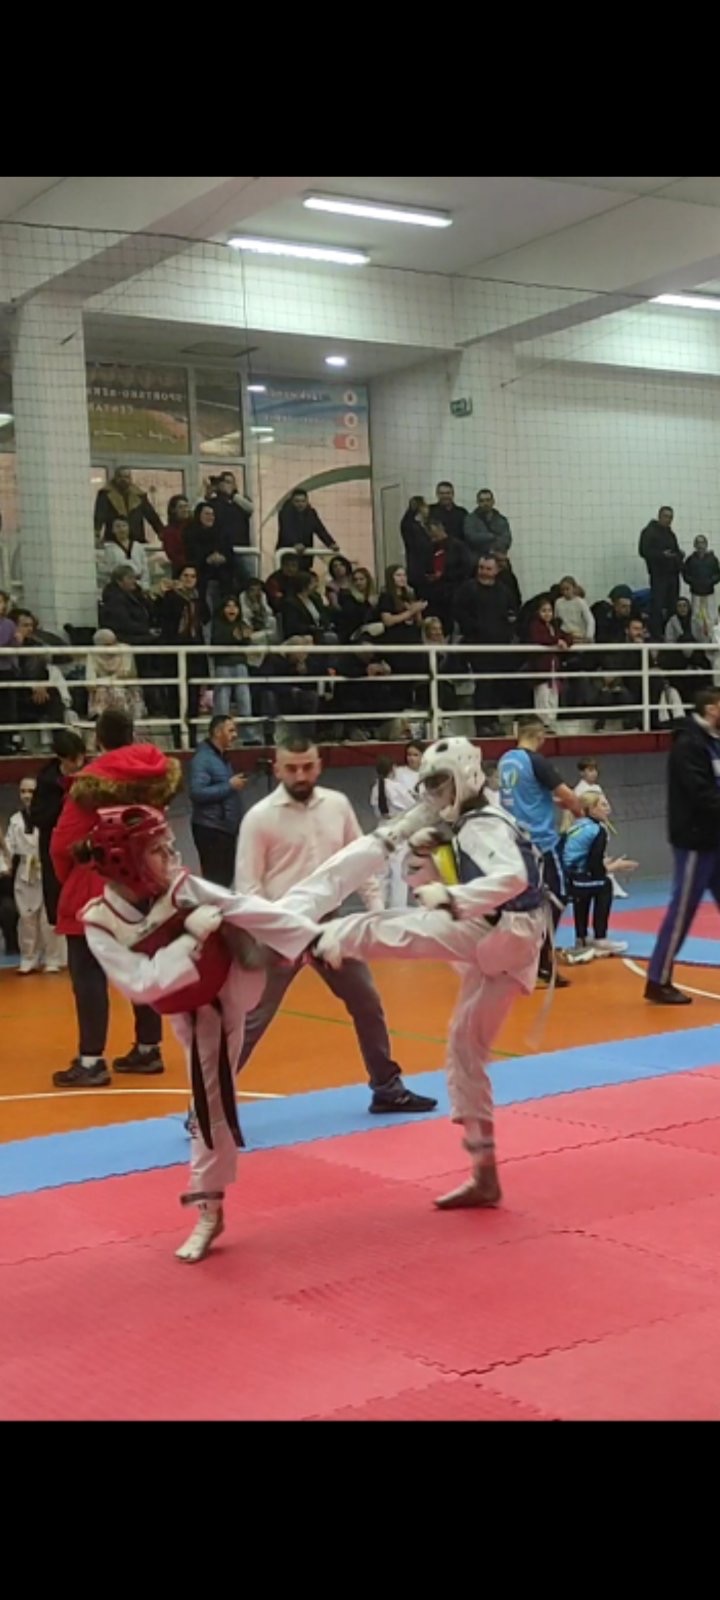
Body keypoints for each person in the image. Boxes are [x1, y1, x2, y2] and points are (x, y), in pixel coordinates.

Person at [79, 801, 399, 1261]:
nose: (171, 855)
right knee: (210, 1106)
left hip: (241, 966)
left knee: (308, 896)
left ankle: (397, 832)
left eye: (169, 844)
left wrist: (314, 939)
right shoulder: (101, 922)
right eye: (157, 849)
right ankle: (210, 1210)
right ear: (126, 861)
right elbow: (142, 985)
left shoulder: (183, 887)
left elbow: (244, 906)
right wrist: (191, 938)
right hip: (197, 1006)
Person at [315, 737, 545, 1208]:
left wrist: (455, 900)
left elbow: (514, 878)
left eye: (442, 783)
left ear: (465, 776)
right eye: (431, 787)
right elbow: (429, 881)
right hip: (510, 940)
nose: (437, 795)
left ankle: (318, 937)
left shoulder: (484, 824)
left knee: (398, 928)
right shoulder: (465, 823)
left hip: (504, 930)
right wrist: (419, 858)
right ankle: (484, 1174)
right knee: (465, 1049)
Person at [234, 735, 437, 1114]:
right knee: (250, 1021)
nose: (300, 775)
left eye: (307, 767)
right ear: (277, 769)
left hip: (331, 927)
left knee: (367, 1002)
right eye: (291, 768)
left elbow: (361, 862)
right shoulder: (259, 817)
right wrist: (267, 933)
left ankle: (387, 1088)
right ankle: (206, 1107)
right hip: (280, 931)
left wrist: (374, 914)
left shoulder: (337, 805)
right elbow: (247, 887)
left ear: (319, 766)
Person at [50, 712, 169, 1087]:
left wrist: (71, 878)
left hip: (95, 884)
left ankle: (91, 1060)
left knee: (88, 974)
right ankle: (148, 1048)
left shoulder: (89, 784)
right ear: (131, 735)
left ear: (98, 740)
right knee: (140, 967)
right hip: (143, 883)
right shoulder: (155, 777)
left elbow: (61, 844)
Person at [645, 686, 720, 1005]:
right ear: (712, 709)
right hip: (695, 841)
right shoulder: (688, 745)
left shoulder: (713, 742)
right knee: (682, 910)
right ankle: (658, 979)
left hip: (716, 837)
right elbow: (701, 794)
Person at [499, 716, 584, 986]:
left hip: (513, 840)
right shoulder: (537, 762)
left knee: (519, 901)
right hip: (541, 842)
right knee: (558, 895)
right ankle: (542, 958)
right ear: (540, 737)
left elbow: (526, 795)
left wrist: (550, 801)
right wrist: (580, 813)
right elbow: (569, 796)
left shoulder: (505, 761)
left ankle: (515, 958)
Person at [562, 790, 634, 961]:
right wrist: (614, 867)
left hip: (568, 879)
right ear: (592, 809)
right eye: (603, 805)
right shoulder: (597, 830)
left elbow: (582, 859)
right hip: (577, 880)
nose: (608, 808)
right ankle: (600, 938)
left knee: (590, 887)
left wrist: (603, 864)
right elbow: (595, 867)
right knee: (605, 885)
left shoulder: (576, 826)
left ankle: (581, 937)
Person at [6, 779, 65, 973]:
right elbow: (9, 847)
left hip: (47, 868)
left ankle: (53, 958)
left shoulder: (51, 816)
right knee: (27, 917)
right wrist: (5, 864)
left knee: (49, 916)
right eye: (23, 791)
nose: (26, 796)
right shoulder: (15, 820)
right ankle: (28, 957)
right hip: (25, 872)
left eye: (31, 791)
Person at [30, 728, 86, 929]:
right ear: (61, 758)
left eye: (81, 758)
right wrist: (64, 802)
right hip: (55, 847)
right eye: (72, 760)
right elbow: (38, 816)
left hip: (84, 847)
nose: (78, 764)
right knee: (60, 901)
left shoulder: (90, 775)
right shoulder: (46, 781)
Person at [456, 555, 516, 732]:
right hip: (477, 645)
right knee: (484, 684)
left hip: (499, 646)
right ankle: (482, 723)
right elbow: (459, 612)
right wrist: (475, 629)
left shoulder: (504, 591)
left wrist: (507, 633)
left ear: (496, 571)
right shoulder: (467, 589)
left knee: (497, 684)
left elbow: (512, 614)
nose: (483, 572)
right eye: (481, 568)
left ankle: (494, 720)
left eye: (488, 569)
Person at [189, 714, 247, 887]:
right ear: (217, 732)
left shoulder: (220, 757)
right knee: (217, 881)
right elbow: (196, 792)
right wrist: (229, 786)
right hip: (212, 829)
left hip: (222, 828)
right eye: (231, 730)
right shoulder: (203, 759)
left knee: (224, 879)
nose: (235, 735)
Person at [160, 563, 206, 748]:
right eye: (185, 576)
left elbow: (206, 617)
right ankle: (177, 739)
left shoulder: (198, 598)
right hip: (173, 653)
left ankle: (192, 738)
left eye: (193, 576)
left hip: (194, 653)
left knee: (193, 699)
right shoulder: (170, 597)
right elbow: (165, 618)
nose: (189, 579)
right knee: (175, 699)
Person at [211, 596, 259, 743]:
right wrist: (235, 637)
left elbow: (247, 642)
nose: (232, 609)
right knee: (222, 702)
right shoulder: (216, 624)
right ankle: (220, 736)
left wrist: (246, 637)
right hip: (223, 665)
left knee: (245, 701)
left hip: (240, 664)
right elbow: (215, 643)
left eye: (235, 606)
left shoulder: (242, 624)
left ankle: (248, 736)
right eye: (228, 606)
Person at [370, 756, 415, 908]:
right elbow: (412, 805)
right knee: (399, 874)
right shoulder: (396, 787)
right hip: (397, 831)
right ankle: (398, 910)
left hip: (381, 830)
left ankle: (377, 909)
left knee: (381, 874)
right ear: (393, 769)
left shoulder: (376, 788)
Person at [419, 519, 471, 635]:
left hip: (453, 592)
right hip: (434, 594)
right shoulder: (429, 548)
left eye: (433, 531)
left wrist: (444, 575)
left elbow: (466, 568)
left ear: (440, 528)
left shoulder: (458, 547)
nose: (431, 535)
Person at [639, 506, 684, 639]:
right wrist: (662, 555)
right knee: (657, 606)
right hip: (658, 575)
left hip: (673, 575)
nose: (668, 520)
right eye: (666, 516)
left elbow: (675, 550)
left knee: (672, 606)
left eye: (671, 517)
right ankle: (657, 636)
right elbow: (643, 551)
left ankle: (671, 635)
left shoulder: (671, 534)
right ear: (659, 516)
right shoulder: (649, 532)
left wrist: (678, 555)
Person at [527, 596, 572, 726]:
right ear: (538, 612)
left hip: (553, 671)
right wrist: (557, 641)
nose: (547, 614)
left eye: (549, 610)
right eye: (544, 611)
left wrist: (565, 641)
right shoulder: (534, 626)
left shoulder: (554, 626)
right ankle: (544, 725)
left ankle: (551, 724)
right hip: (541, 670)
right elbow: (540, 639)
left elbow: (567, 636)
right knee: (543, 698)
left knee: (553, 698)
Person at [86, 629, 145, 724]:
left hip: (125, 686)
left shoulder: (126, 650)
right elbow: (90, 682)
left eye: (114, 642)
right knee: (101, 691)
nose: (113, 647)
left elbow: (125, 673)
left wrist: (104, 681)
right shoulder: (93, 653)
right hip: (102, 687)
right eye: (107, 645)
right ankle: (102, 720)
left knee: (117, 691)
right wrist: (104, 682)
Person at [94, 467, 163, 547]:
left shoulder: (139, 495)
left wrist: (161, 532)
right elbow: (99, 516)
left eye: (126, 477)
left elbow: (151, 516)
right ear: (115, 478)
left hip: (136, 539)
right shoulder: (105, 495)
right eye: (120, 476)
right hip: (114, 540)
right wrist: (96, 534)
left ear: (130, 479)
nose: (123, 480)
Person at [184, 502, 234, 610]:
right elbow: (192, 553)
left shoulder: (220, 531)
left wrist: (222, 557)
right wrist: (207, 559)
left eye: (212, 514)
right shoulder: (191, 532)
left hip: (220, 568)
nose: (210, 517)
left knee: (229, 577)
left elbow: (229, 552)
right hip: (200, 568)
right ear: (199, 515)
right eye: (207, 514)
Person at [96, 516, 151, 592]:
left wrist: (145, 586)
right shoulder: (110, 549)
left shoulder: (138, 546)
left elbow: (145, 568)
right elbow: (107, 570)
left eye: (124, 526)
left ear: (128, 528)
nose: (121, 529)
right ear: (113, 530)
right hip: (119, 587)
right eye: (118, 526)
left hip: (138, 584)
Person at [277, 487, 338, 553]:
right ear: (292, 501)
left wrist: (330, 543)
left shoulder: (311, 513)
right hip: (288, 552)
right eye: (297, 501)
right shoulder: (285, 513)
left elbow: (320, 529)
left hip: (305, 552)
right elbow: (286, 530)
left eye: (303, 501)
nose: (300, 504)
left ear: (307, 501)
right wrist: (295, 543)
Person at [683, 535, 720, 644]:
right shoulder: (690, 560)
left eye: (703, 543)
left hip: (709, 594)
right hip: (696, 593)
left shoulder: (713, 559)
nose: (700, 546)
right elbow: (685, 574)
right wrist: (694, 582)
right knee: (696, 618)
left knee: (711, 616)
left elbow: (718, 574)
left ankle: (713, 640)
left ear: (706, 544)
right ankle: (698, 640)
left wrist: (710, 581)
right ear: (694, 545)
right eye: (698, 543)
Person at [463, 489, 512, 559]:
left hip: (498, 558)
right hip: (478, 559)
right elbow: (471, 537)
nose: (485, 503)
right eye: (482, 501)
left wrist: (493, 550)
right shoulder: (470, 519)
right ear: (477, 502)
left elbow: (507, 540)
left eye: (488, 500)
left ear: (493, 501)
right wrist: (492, 536)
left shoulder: (501, 520)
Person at [400, 497, 432, 591]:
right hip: (419, 568)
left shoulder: (412, 524)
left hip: (416, 566)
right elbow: (423, 546)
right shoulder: (412, 526)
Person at [161, 494, 192, 573]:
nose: (185, 510)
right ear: (173, 510)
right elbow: (173, 555)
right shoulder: (169, 531)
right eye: (181, 507)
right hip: (181, 570)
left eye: (186, 506)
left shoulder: (194, 525)